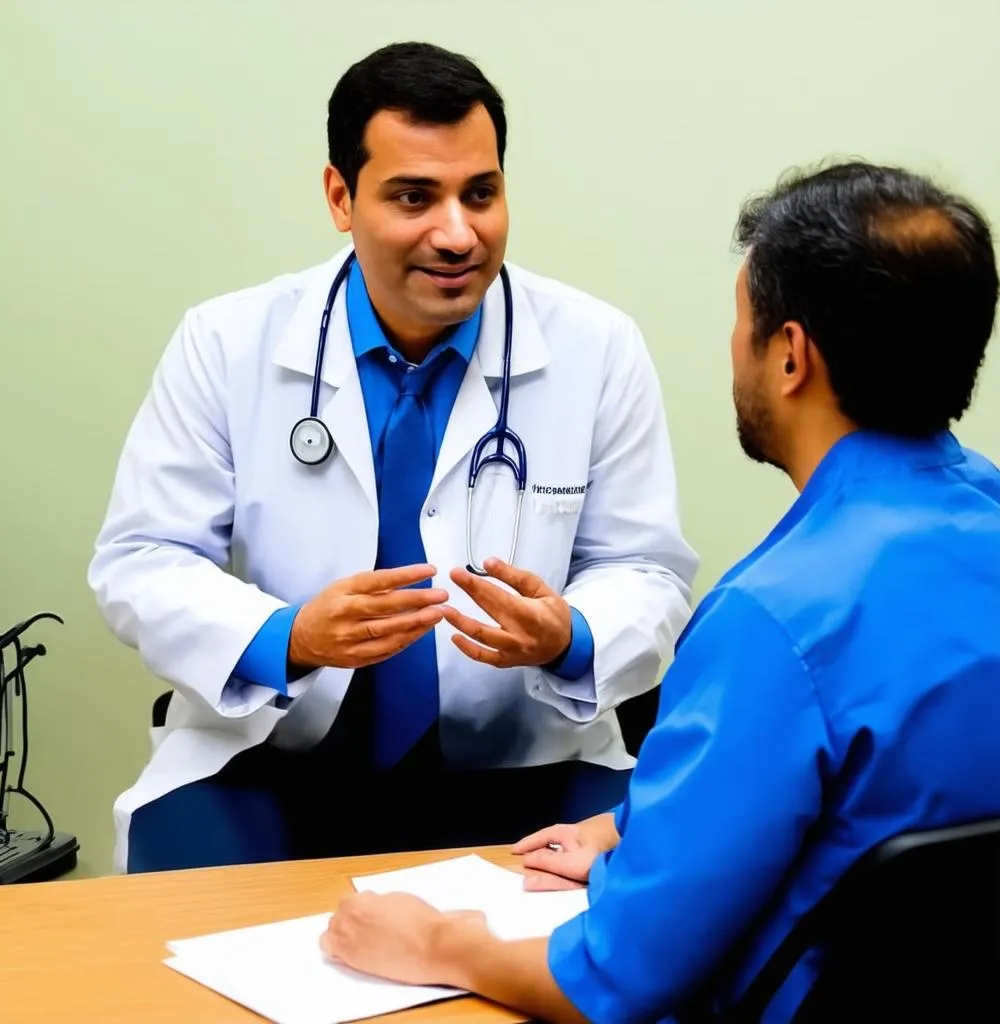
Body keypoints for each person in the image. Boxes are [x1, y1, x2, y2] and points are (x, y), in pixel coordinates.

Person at [320, 161, 1000, 1023]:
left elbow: (611, 983)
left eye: (743, 320)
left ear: (791, 356)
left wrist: (432, 941)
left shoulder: (776, 625)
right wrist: (634, 825)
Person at [87, 41, 698, 874]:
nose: (457, 234)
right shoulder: (227, 341)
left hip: (528, 758)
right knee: (192, 955)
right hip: (271, 756)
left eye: (480, 194)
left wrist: (572, 634)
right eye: (415, 197)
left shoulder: (597, 348)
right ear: (340, 196)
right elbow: (142, 559)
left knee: (600, 962)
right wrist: (287, 635)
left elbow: (646, 568)